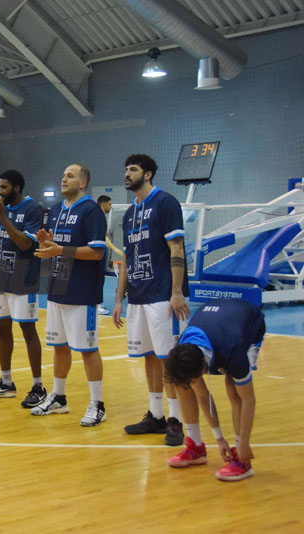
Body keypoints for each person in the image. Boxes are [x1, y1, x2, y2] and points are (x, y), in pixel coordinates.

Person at [112, 154, 190, 446]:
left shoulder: (165, 203)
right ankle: (156, 415)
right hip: (138, 296)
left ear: (147, 174)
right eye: (125, 169)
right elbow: (126, 259)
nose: (126, 173)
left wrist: (177, 292)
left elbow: (177, 247)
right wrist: (119, 299)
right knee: (148, 356)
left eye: (132, 169)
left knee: (168, 358)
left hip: (163, 295)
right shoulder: (129, 214)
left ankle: (176, 420)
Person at [31, 164, 108, 426]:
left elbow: (97, 252)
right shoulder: (55, 210)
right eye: (63, 175)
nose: (64, 179)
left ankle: (97, 404)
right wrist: (45, 245)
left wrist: (60, 250)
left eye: (70, 176)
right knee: (59, 346)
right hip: (57, 289)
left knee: (87, 349)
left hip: (82, 291)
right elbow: (56, 247)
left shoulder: (91, 210)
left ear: (83, 183)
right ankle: (59, 397)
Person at [164, 298, 264, 482]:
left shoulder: (234, 350)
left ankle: (242, 460)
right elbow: (203, 395)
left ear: (203, 370)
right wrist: (219, 438)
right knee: (182, 383)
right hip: (218, 320)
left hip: (249, 324)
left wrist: (244, 442)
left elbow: (248, 399)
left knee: (233, 390)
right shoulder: (183, 348)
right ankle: (195, 447)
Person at [0, 170, 46, 409]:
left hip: (22, 278)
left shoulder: (33, 209)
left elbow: (26, 244)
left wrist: (2, 216)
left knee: (28, 331)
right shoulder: (0, 210)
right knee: (2, 330)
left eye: (4, 187)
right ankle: (6, 382)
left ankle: (38, 386)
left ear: (17, 187)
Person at [96, 194, 123, 315]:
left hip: (99, 253)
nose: (111, 207)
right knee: (97, 280)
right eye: (110, 204)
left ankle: (96, 303)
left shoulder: (98, 216)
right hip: (96, 254)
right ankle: (96, 305)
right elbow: (103, 237)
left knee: (99, 279)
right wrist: (116, 250)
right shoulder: (98, 217)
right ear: (103, 204)